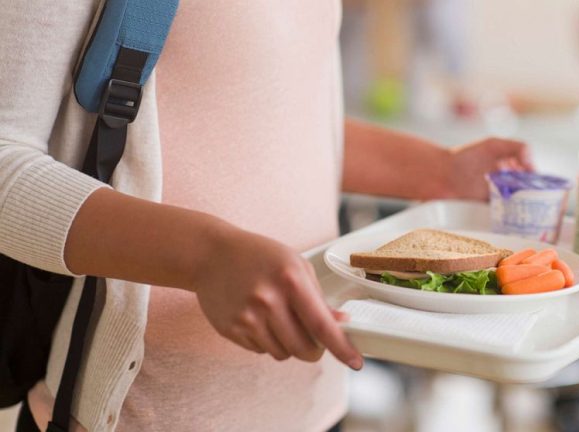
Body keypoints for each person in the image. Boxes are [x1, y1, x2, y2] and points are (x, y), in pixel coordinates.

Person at [0, 1, 532, 431]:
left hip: (312, 403)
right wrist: (204, 256)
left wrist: (438, 171)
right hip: (143, 412)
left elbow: (266, 115)